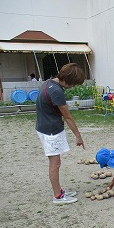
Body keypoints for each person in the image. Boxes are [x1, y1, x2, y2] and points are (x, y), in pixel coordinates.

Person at [35, 63, 85, 204]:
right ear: (69, 80)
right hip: (50, 131)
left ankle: (60, 191)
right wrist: (78, 136)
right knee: (55, 164)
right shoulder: (57, 92)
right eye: (74, 83)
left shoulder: (49, 83)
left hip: (44, 127)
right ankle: (58, 196)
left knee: (56, 163)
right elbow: (67, 116)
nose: (73, 86)